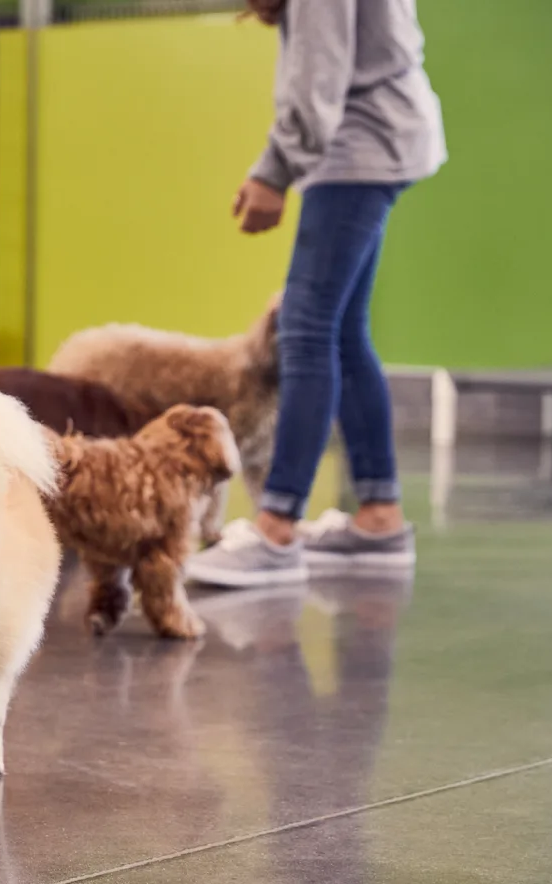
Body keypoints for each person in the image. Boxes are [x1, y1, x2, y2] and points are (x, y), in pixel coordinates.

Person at [185, 0, 446, 588]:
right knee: (343, 332)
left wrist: (273, 171)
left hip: (359, 146)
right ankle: (379, 518)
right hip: (373, 139)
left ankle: (276, 528)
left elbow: (318, 75)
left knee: (304, 329)